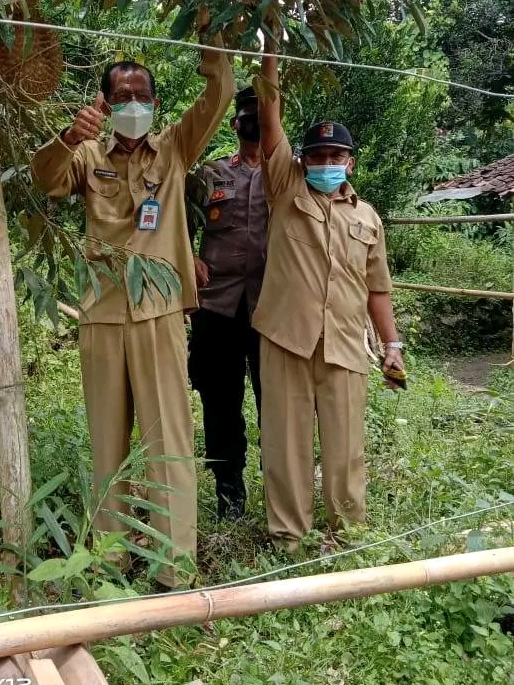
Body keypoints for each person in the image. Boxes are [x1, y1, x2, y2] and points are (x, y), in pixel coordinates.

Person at [31, 38, 235, 588]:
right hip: (100, 314)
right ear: (103, 102)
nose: (133, 105)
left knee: (169, 440)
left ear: (155, 104)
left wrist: (211, 42)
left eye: (142, 96)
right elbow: (46, 180)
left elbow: (219, 97)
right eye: (122, 96)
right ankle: (108, 559)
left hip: (159, 312)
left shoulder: (173, 149)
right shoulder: (88, 155)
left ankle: (175, 565)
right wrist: (68, 137)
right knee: (107, 443)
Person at [254, 39, 405, 549]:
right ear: (302, 159)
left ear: (350, 162)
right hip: (285, 339)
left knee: (345, 447)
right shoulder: (285, 186)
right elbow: (270, 117)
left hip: (343, 343)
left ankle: (347, 536)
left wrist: (392, 345)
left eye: (336, 155)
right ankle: (288, 536)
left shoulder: (368, 218)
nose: (326, 162)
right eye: (316, 155)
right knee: (285, 443)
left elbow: (376, 288)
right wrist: (271, 48)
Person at [186, 86, 268, 520]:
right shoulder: (210, 174)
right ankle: (229, 497)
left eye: (261, 114)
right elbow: (175, 221)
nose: (253, 122)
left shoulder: (289, 174)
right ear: (235, 124)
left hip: (271, 311)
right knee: (220, 406)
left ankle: (280, 491)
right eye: (246, 115)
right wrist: (189, 255)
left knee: (275, 405)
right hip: (217, 309)